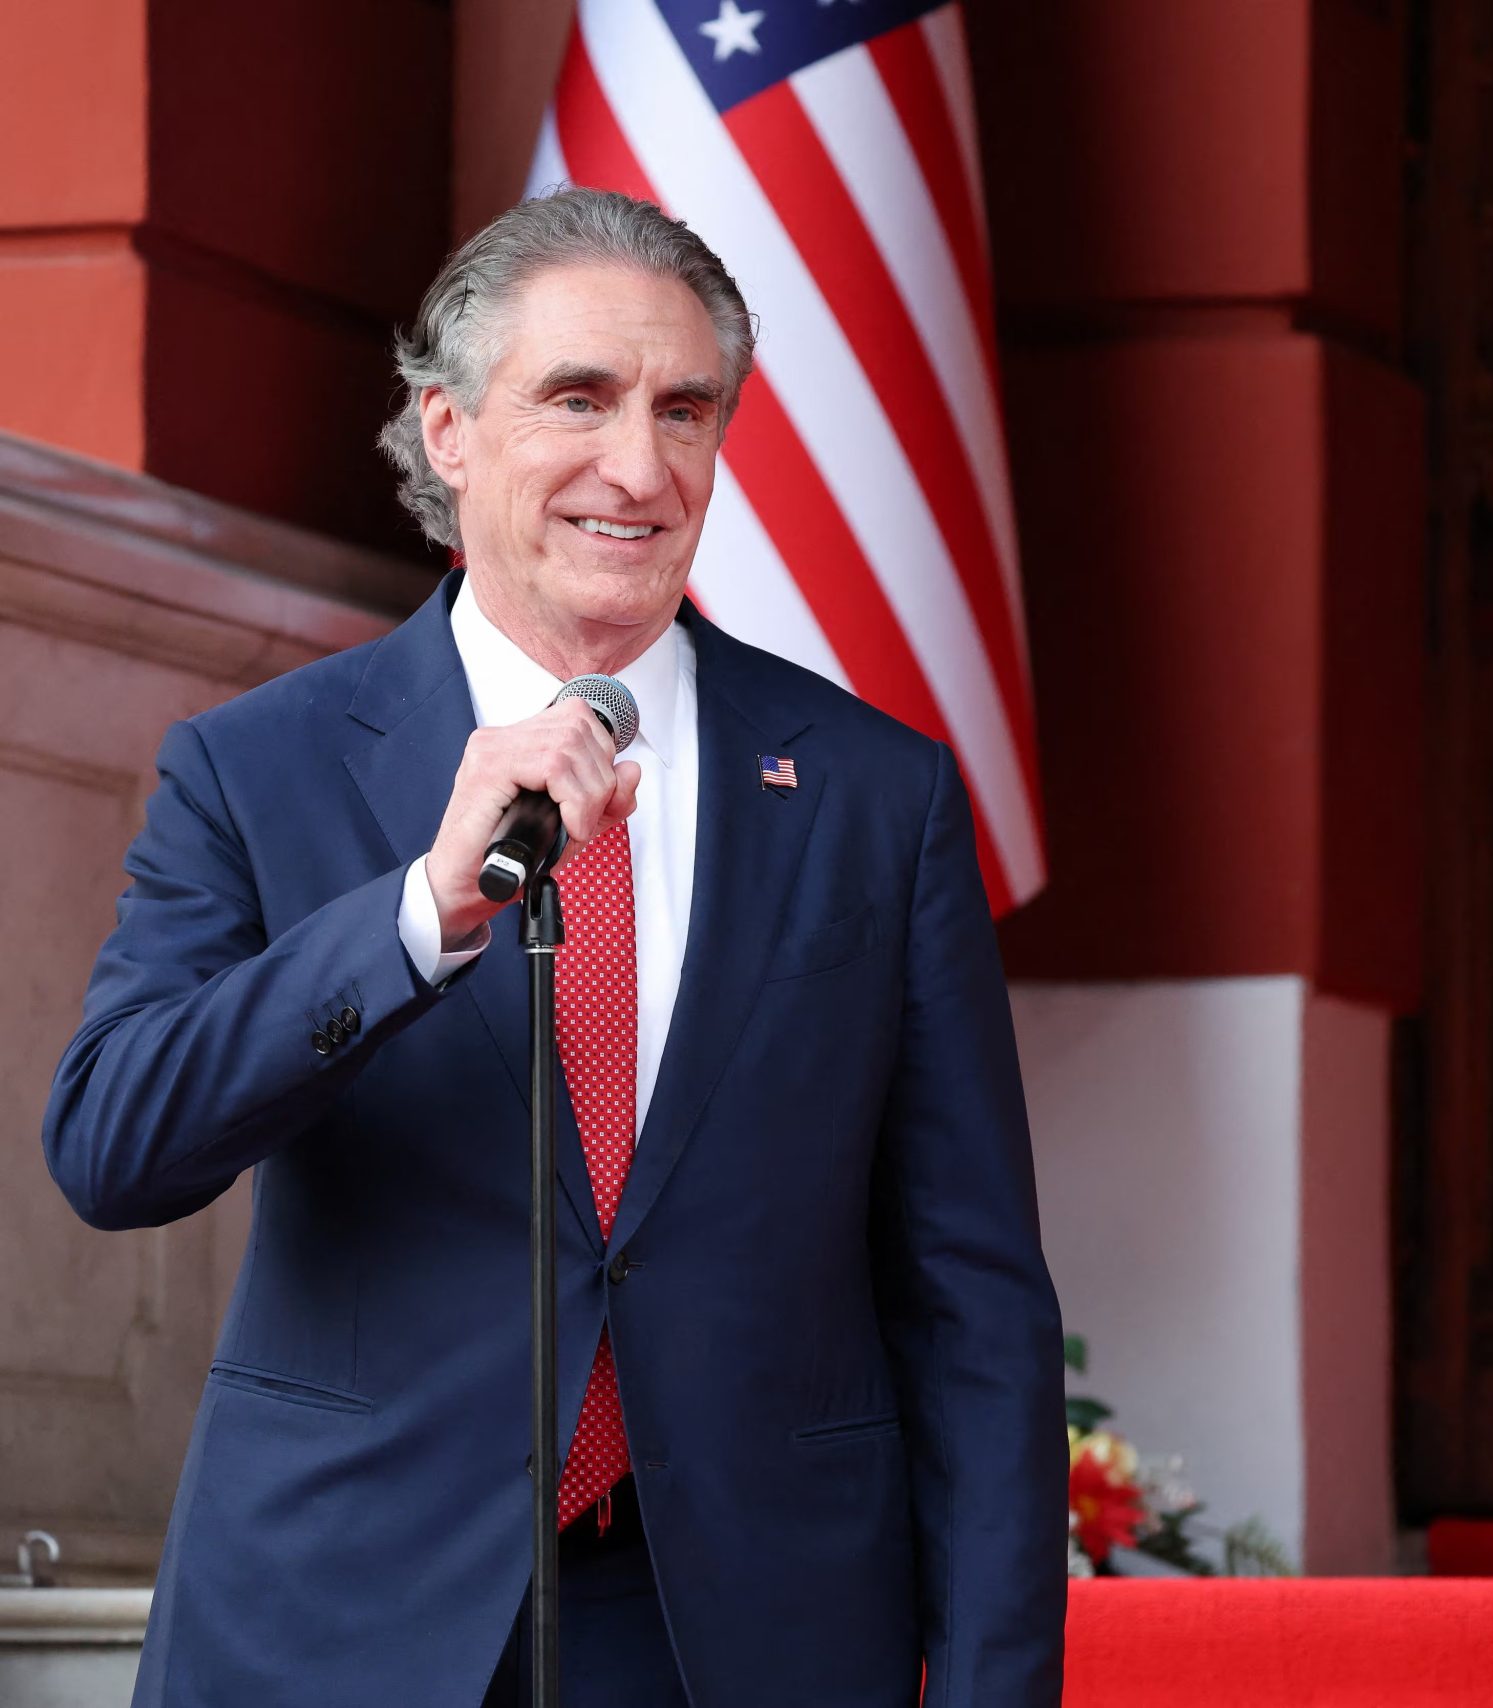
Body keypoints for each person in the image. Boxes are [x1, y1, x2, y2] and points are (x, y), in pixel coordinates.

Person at [42, 188, 1064, 1708]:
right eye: (578, 398)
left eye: (684, 409)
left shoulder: (874, 792)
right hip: (345, 1619)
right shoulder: (255, 766)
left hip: (745, 1631)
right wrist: (415, 920)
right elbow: (113, 1147)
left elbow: (973, 1300)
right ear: (449, 430)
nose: (639, 468)